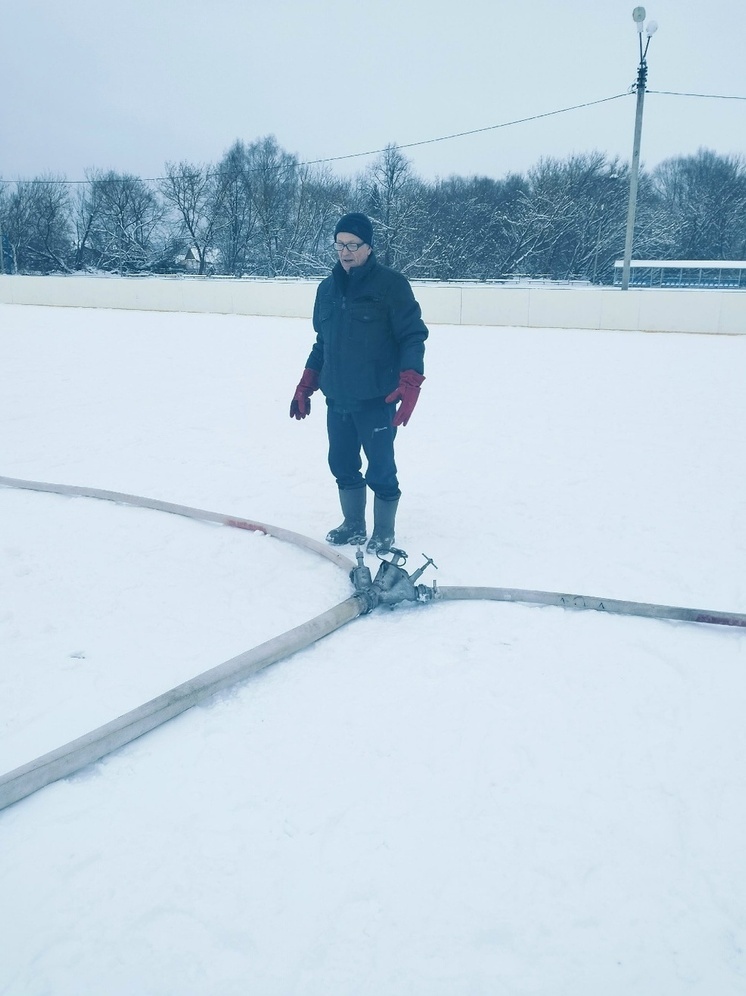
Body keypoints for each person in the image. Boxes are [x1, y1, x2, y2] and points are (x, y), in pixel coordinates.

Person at [290, 212, 428, 554]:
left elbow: (412, 336)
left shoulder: (391, 286)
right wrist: (307, 383)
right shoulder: (326, 289)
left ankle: (383, 530)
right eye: (340, 244)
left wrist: (411, 378)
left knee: (381, 468)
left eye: (353, 245)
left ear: (369, 247)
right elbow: (323, 342)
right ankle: (353, 525)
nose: (345, 252)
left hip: (377, 399)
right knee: (341, 464)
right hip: (337, 398)